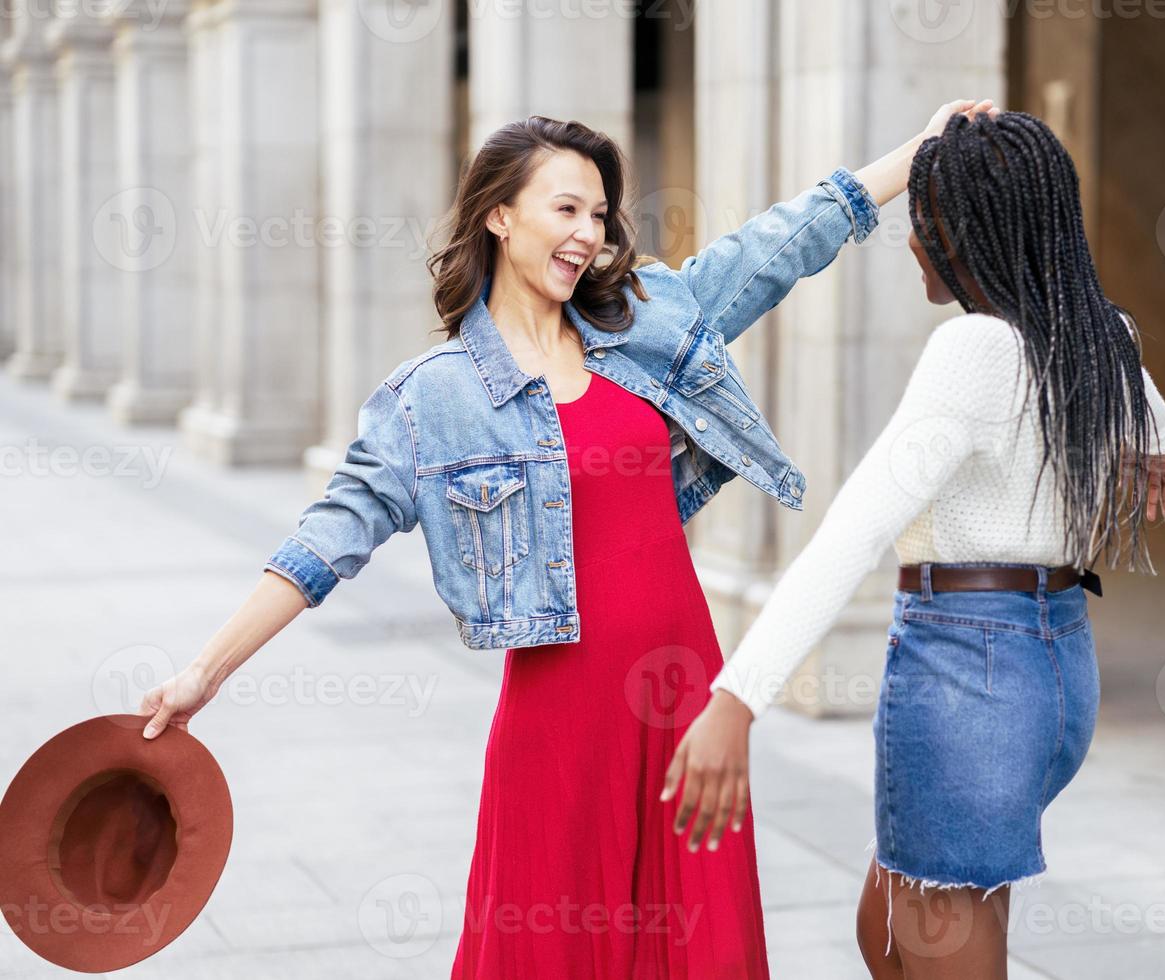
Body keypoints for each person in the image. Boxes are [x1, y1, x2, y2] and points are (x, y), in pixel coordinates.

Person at [135, 103, 1001, 978]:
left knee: (695, 937)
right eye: (565, 209)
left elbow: (787, 242)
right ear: (498, 215)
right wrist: (206, 670)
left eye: (598, 214)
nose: (589, 234)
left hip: (683, 695)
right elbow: (327, 541)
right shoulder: (432, 399)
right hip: (561, 717)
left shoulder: (647, 316)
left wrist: (917, 149)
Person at [663, 109, 1165, 979]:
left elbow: (853, 532)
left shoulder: (972, 351)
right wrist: (1154, 445)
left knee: (933, 947)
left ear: (965, 235)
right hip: (1053, 676)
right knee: (888, 936)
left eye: (924, 227)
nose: (911, 245)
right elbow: (1155, 419)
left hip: (967, 676)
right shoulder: (1102, 337)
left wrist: (737, 698)